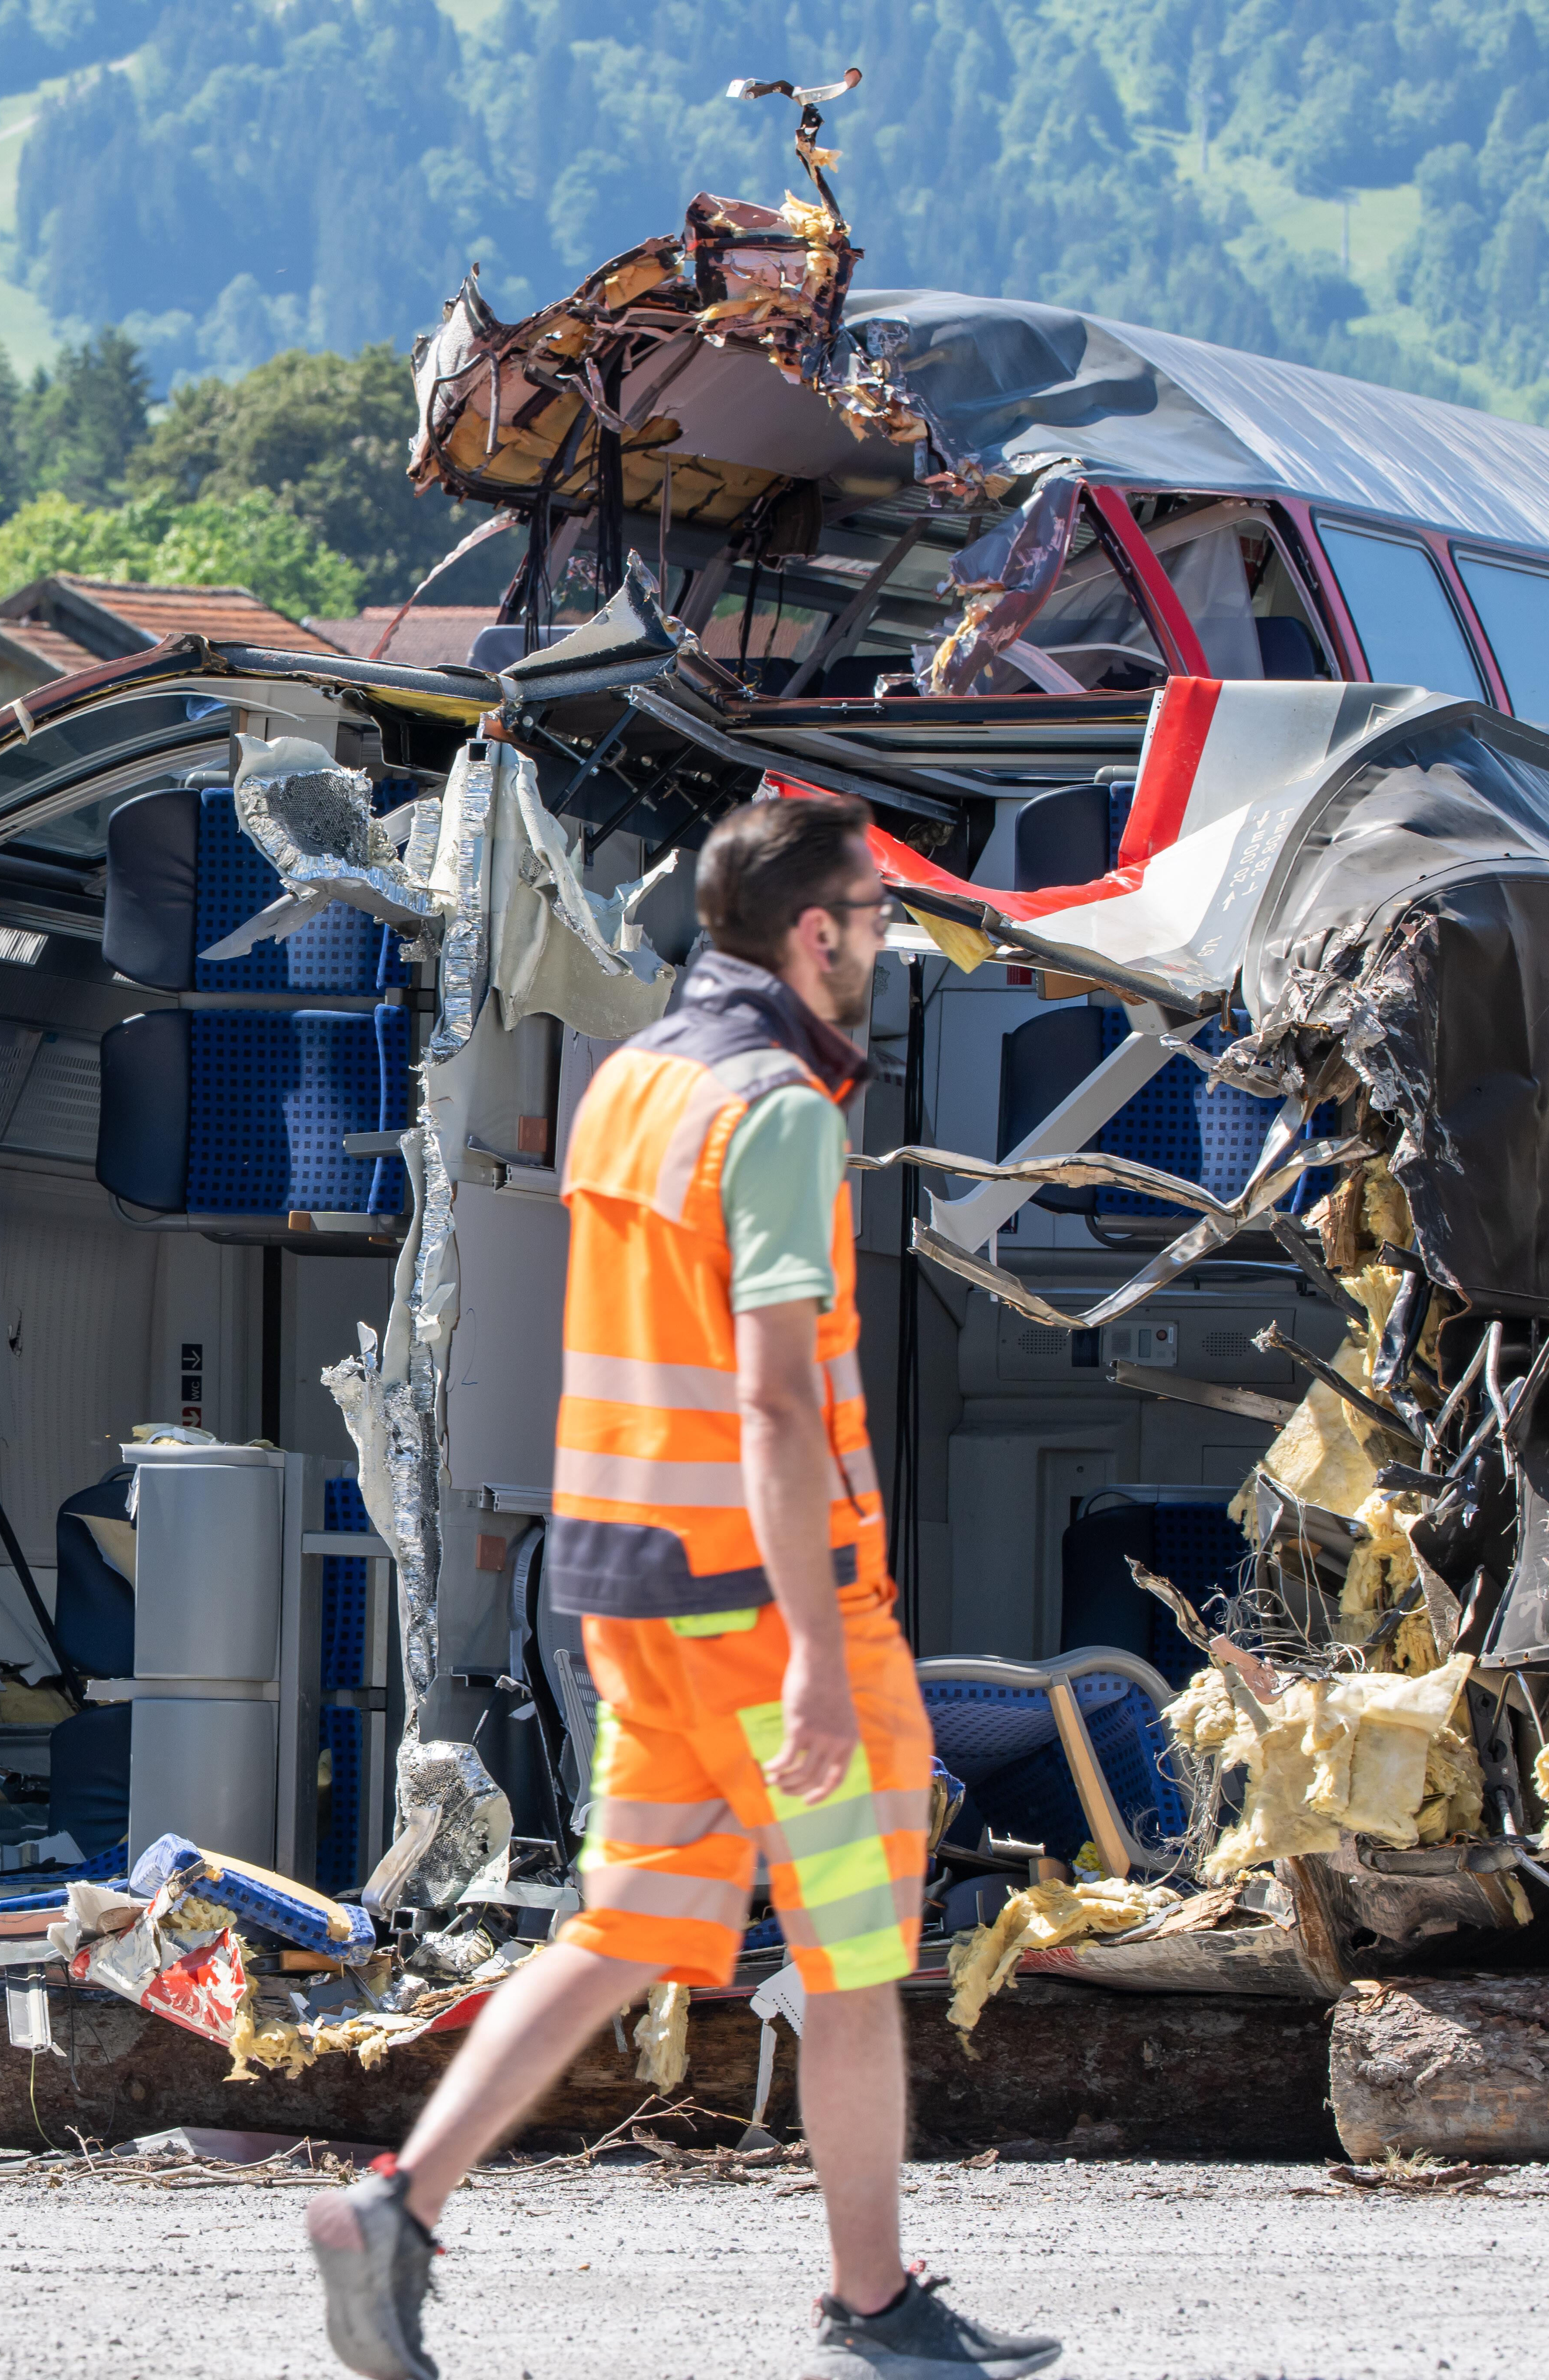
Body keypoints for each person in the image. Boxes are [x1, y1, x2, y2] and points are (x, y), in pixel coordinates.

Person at [304, 793, 1061, 2380]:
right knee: (852, 1953)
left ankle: (397, 2206)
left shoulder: (633, 1084)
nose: (879, 948)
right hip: (773, 1610)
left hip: (629, 1591)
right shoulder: (776, 1114)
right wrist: (814, 1658)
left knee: (623, 1929)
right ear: (813, 933)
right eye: (870, 921)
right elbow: (774, 1399)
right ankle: (873, 2309)